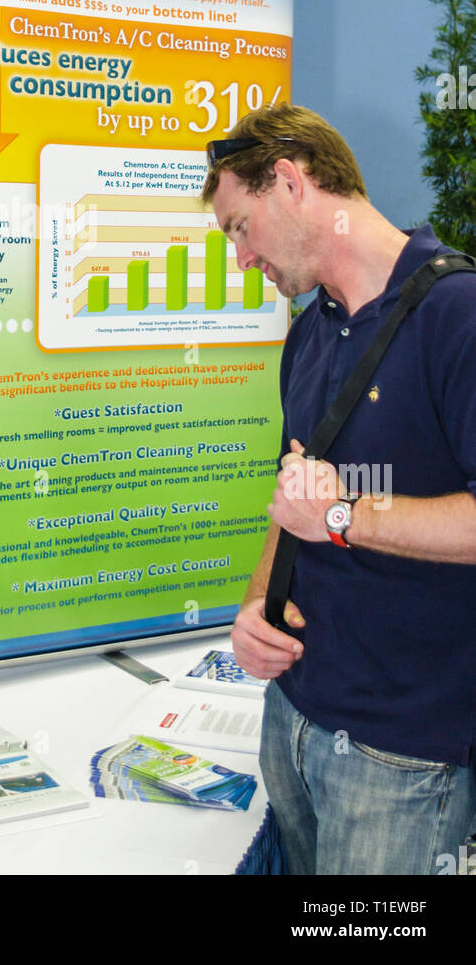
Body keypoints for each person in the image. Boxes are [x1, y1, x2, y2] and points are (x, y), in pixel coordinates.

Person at [203, 103, 476, 876]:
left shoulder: (458, 315)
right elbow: (291, 497)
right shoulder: (311, 329)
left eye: (239, 227)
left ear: (288, 182)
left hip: (403, 752)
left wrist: (345, 515)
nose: (241, 258)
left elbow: (329, 510)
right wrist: (260, 601)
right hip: (293, 713)